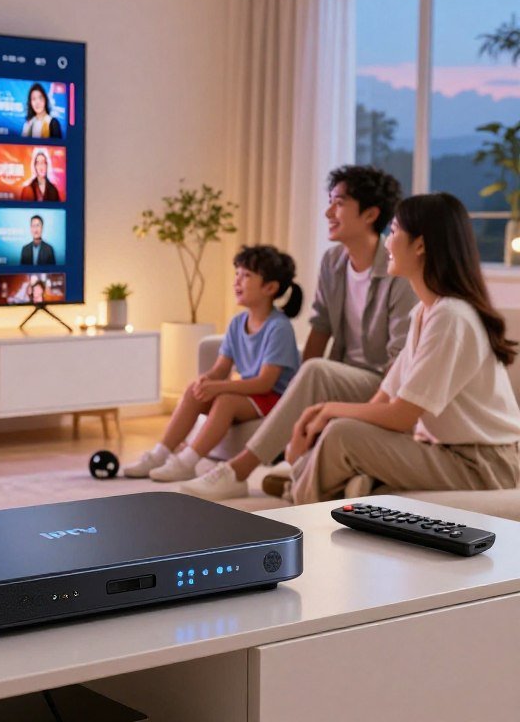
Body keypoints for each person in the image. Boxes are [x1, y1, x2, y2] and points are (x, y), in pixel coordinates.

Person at [178, 165, 418, 500]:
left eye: (338, 203)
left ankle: (238, 470)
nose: (328, 212)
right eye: (329, 202)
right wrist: (297, 392)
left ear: (371, 214)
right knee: (313, 369)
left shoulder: (397, 273)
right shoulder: (333, 262)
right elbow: (320, 326)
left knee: (316, 369)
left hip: (381, 383)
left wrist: (320, 384)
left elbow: (399, 360)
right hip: (340, 374)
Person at [285, 193, 520, 504]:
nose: (386, 243)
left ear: (420, 245)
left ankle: (298, 508)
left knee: (342, 436)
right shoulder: (425, 312)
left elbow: (400, 416)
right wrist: (322, 418)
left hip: (485, 464)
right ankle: (313, 483)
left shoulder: (451, 316)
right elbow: (383, 398)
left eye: (393, 232)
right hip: (446, 452)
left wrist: (328, 410)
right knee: (341, 433)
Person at [125, 246, 303, 486]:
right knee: (193, 390)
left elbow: (266, 383)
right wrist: (207, 380)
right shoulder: (237, 322)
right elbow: (221, 369)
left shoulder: (278, 328)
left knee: (225, 399)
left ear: (270, 288)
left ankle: (186, 462)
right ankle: (159, 454)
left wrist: (219, 387)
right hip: (251, 394)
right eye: (237, 274)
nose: (237, 281)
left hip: (274, 397)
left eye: (246, 276)